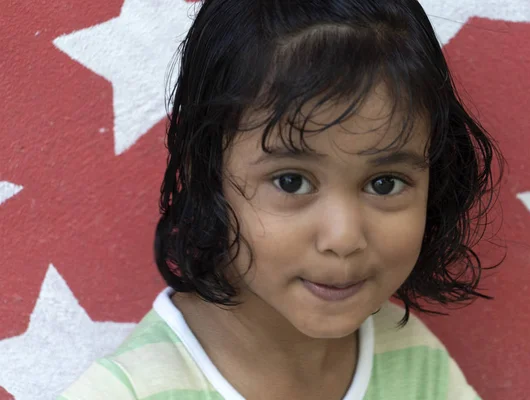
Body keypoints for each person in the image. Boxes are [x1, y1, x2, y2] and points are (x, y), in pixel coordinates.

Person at [59, 0, 503, 398]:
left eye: (384, 183)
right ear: (206, 175)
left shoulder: (417, 364)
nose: (343, 237)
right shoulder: (129, 391)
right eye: (291, 182)